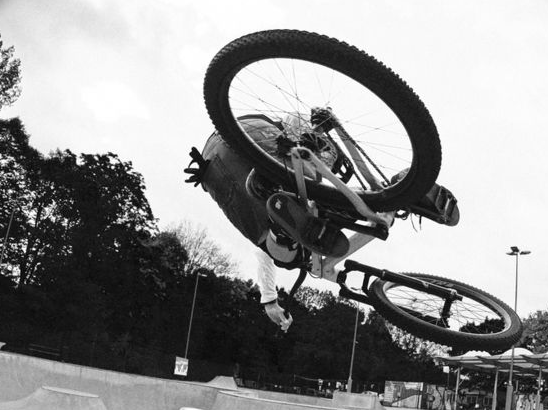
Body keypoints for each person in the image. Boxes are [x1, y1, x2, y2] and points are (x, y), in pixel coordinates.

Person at [184, 115, 458, 332]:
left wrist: (270, 299)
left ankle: (287, 227)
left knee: (290, 240)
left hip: (223, 150)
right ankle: (402, 192)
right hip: (252, 129)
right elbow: (293, 119)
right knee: (301, 210)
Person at [183, 116, 350, 332]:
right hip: (237, 143)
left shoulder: (296, 127)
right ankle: (279, 221)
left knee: (289, 227)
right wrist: (269, 299)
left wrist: (271, 299)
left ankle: (276, 213)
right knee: (283, 244)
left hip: (230, 142)